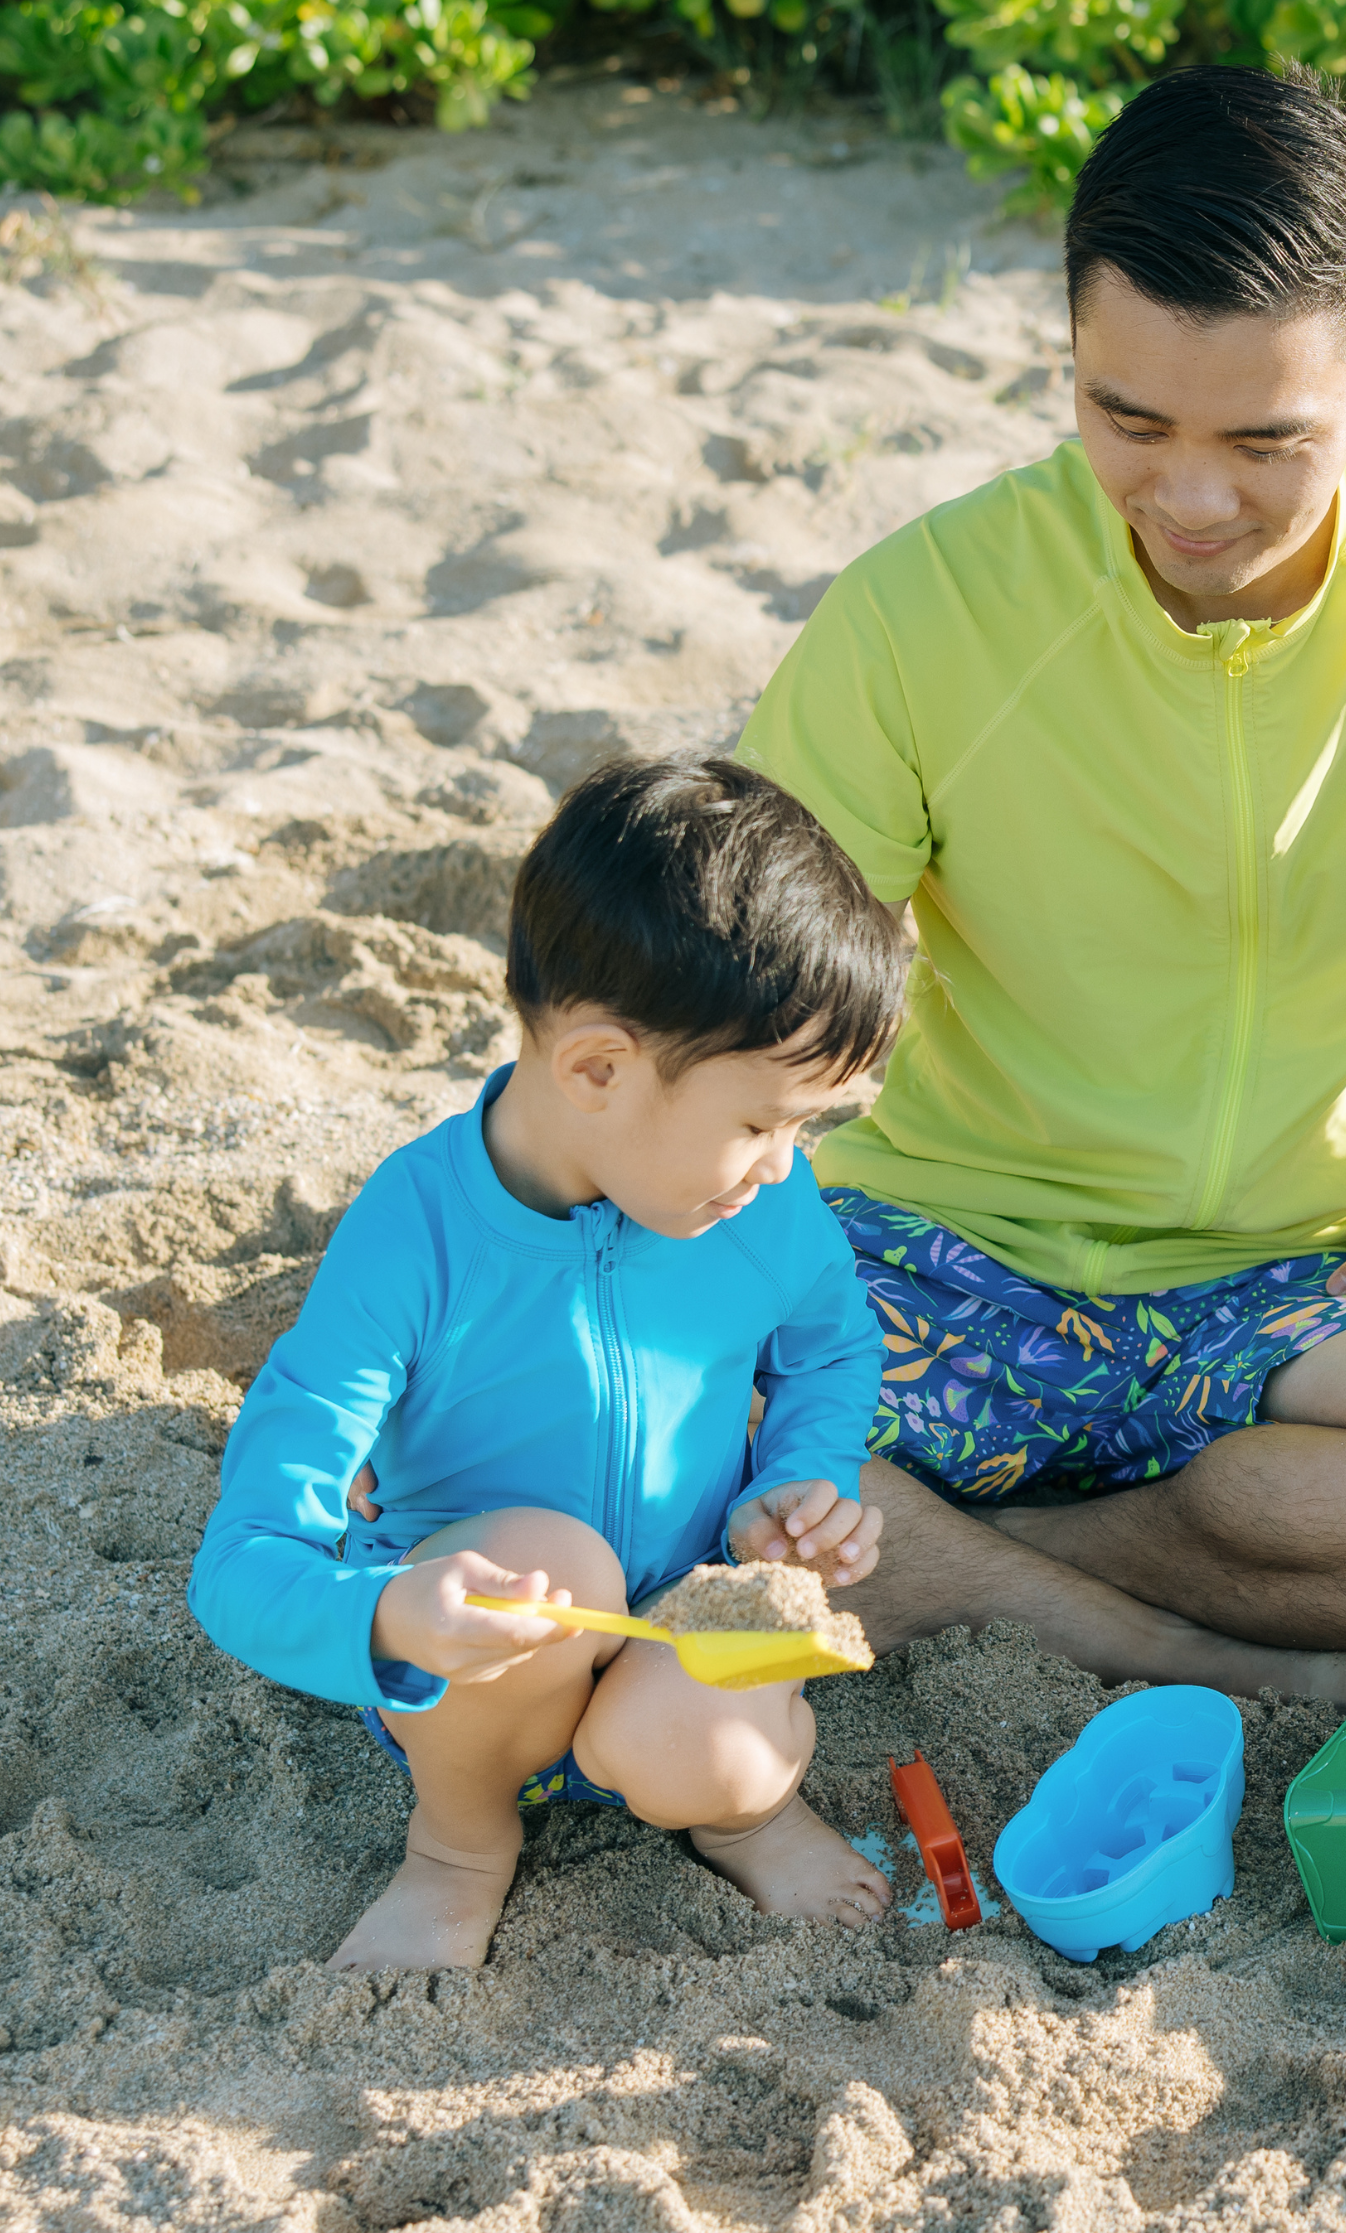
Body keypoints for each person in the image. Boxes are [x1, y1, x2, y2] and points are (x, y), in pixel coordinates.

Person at [737, 64, 1346, 1695]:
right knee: (625, 1412)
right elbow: (729, 979)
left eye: (1267, 440)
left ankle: (945, 1565)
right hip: (947, 1244)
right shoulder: (925, 611)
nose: (1190, 499)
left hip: (1318, 1271)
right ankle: (1120, 1601)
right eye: (1123, 420)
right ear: (1069, 354)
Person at [189, 756, 908, 1971]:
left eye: (806, 1130)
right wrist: (392, 1617)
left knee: (729, 1762)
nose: (786, 1166)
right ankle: (460, 1851)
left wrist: (796, 1479)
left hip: (676, 1650)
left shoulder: (756, 1207)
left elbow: (830, 1344)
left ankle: (751, 1819)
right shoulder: (414, 1233)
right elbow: (244, 1562)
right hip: (472, 1682)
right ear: (596, 1070)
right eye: (758, 1124)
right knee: (545, 1558)